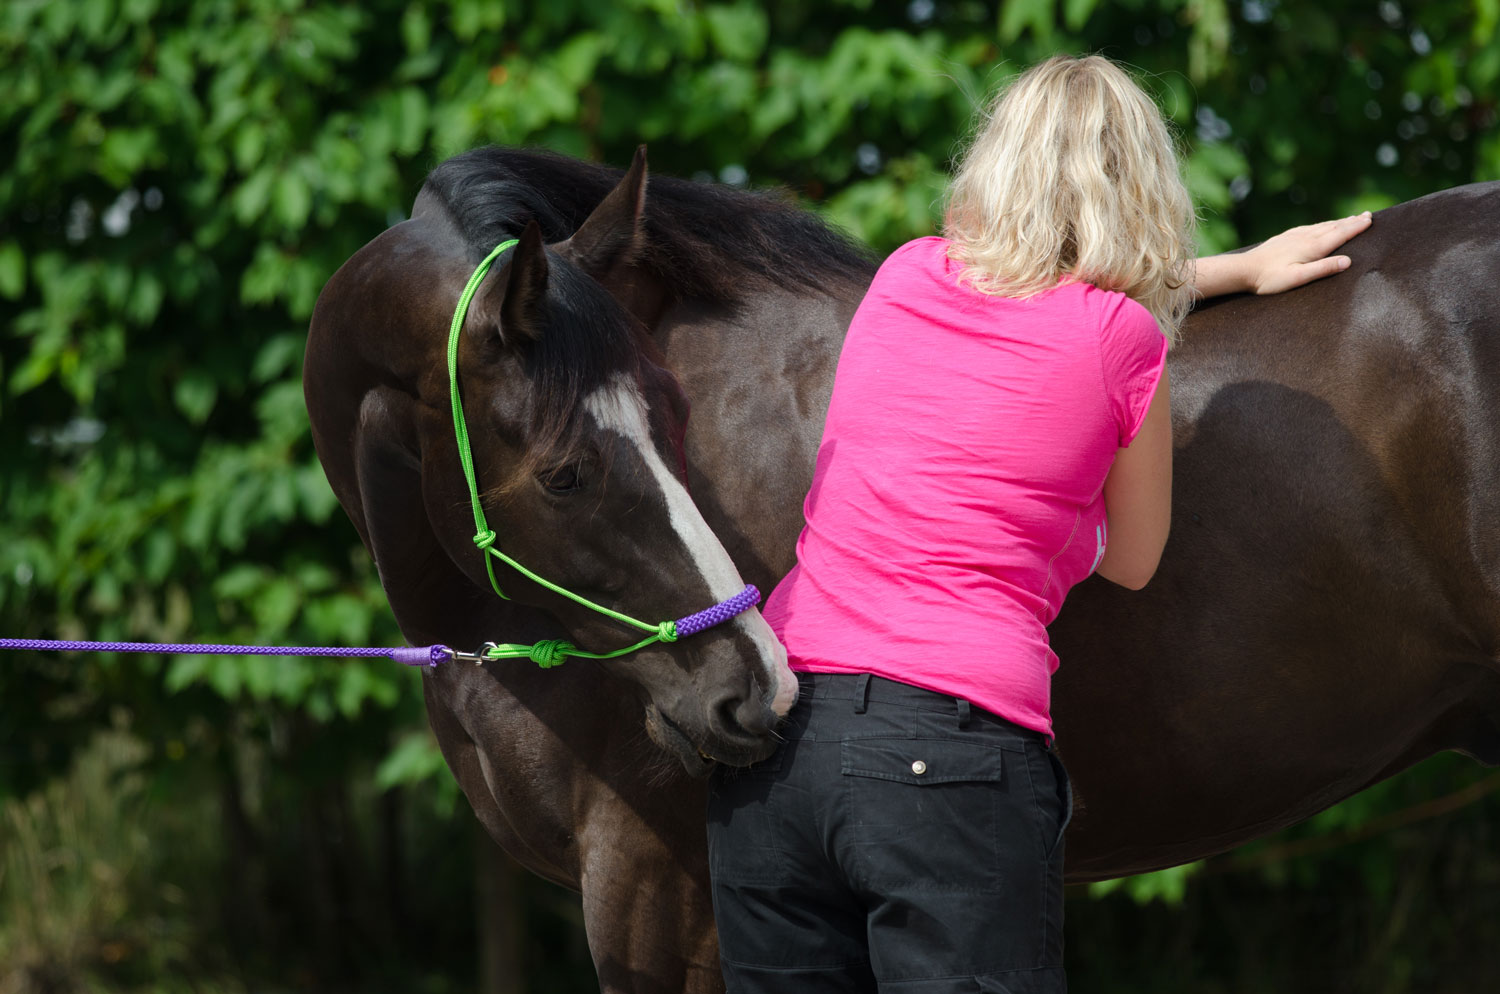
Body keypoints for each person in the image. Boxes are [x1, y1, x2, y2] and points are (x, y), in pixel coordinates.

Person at [705, 54, 1371, 994]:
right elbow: (1135, 562)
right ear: (1142, 181)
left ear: (992, 164)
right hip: (944, 758)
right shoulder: (1124, 340)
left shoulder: (903, 275)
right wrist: (1054, 525)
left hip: (778, 753)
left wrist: (1239, 269)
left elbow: (1028, 280)